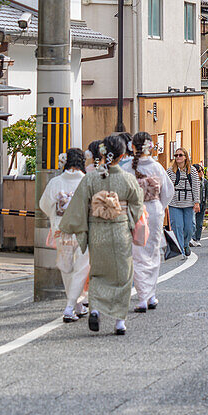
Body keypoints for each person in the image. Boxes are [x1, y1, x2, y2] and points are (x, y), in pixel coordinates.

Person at [59, 133, 144, 336]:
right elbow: (137, 204)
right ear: (122, 154)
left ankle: (95, 309)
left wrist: (81, 227)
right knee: (123, 275)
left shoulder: (91, 178)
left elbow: (79, 204)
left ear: (103, 153)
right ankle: (119, 322)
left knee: (97, 272)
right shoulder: (127, 178)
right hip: (120, 229)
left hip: (97, 230)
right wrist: (128, 219)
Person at [40, 147, 90, 323]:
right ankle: (72, 305)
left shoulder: (56, 182)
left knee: (66, 268)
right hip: (82, 231)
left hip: (62, 231)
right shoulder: (87, 181)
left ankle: (75, 305)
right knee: (81, 269)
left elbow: (44, 204)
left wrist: (55, 217)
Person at [129, 132, 174, 312]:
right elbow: (168, 192)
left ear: (133, 147)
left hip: (135, 211)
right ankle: (151, 295)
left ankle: (142, 296)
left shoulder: (127, 167)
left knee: (137, 252)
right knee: (153, 252)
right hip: (154, 211)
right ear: (150, 146)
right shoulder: (157, 167)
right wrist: (159, 206)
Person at [166, 147, 201, 257]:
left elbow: (196, 187)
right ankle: (180, 250)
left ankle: (186, 244)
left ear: (185, 157)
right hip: (174, 204)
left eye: (180, 155)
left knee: (189, 228)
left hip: (188, 203)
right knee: (177, 226)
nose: (178, 157)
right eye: (176, 155)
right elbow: (166, 187)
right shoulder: (170, 171)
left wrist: (197, 202)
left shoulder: (193, 171)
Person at [191, 162, 208, 247]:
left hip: (202, 204)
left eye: (202, 170)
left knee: (199, 223)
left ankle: (197, 239)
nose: (201, 172)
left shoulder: (204, 181)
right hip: (193, 204)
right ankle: (191, 238)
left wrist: (207, 202)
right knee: (192, 222)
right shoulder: (191, 181)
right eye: (199, 171)